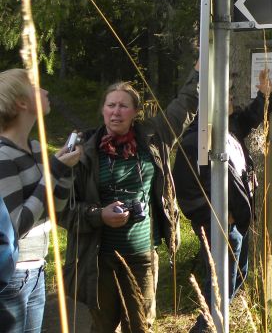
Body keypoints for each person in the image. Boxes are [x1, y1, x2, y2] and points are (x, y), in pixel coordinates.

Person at [58, 63, 199, 333]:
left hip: (142, 257)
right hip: (100, 259)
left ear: (135, 112)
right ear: (102, 110)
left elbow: (185, 105)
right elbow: (63, 209)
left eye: (123, 106)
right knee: (103, 327)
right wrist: (99, 215)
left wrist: (199, 71)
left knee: (140, 326)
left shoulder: (154, 137)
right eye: (111, 105)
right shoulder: (82, 151)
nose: (116, 111)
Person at [173, 68, 272, 332]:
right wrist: (217, 216)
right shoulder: (197, 139)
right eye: (226, 96)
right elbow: (186, 191)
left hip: (236, 221)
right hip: (219, 224)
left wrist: (264, 95)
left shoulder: (229, 127)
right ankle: (206, 328)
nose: (231, 99)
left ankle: (210, 325)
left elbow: (251, 117)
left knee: (237, 276)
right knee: (219, 287)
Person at [0, 69, 82, 333]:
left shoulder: (35, 148)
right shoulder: (3, 155)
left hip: (37, 269)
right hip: (11, 276)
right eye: (36, 87)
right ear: (22, 103)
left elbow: (53, 211)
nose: (45, 91)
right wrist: (54, 171)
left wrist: (65, 171)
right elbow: (17, 226)